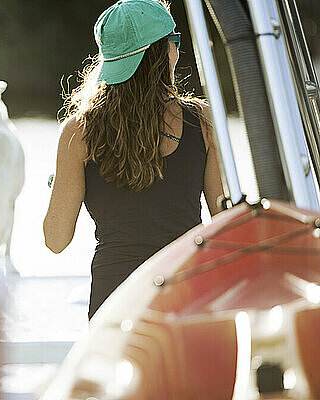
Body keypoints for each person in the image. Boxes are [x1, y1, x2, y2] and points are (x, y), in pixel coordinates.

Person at [43, 0, 224, 320]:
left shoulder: (77, 132)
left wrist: (61, 182)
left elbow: (56, 240)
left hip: (113, 304)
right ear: (162, 53)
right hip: (187, 297)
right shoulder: (205, 121)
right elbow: (228, 225)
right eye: (175, 41)